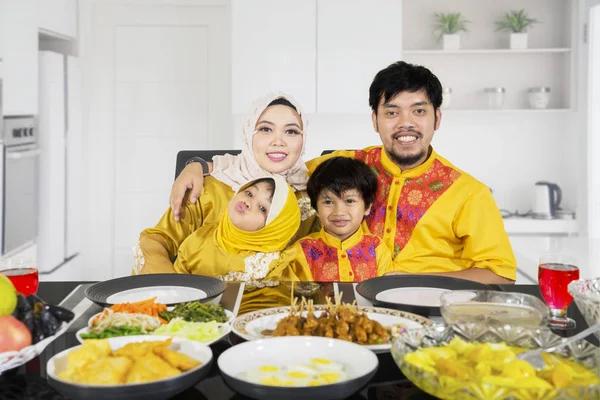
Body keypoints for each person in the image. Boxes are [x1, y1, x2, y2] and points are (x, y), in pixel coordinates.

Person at [170, 61, 516, 284]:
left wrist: (421, 284)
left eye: (419, 111)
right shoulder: (350, 164)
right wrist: (200, 165)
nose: (405, 123)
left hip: (428, 310)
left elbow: (500, 274)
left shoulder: (469, 192)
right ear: (375, 120)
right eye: (391, 111)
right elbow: (276, 164)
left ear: (437, 118)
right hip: (341, 300)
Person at [134, 92, 316, 274]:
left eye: (291, 131)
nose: (278, 141)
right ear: (248, 133)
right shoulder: (209, 190)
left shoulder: (315, 195)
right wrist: (172, 288)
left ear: (304, 139)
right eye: (265, 129)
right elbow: (157, 240)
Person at [164, 176, 301, 285]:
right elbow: (177, 288)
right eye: (249, 193)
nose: (248, 202)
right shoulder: (198, 239)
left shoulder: (275, 264)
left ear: (274, 229)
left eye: (263, 208)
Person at [287, 156, 393, 282]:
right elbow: (295, 298)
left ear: (367, 207)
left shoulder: (377, 248)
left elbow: (385, 295)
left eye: (349, 201)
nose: (339, 212)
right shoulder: (300, 251)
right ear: (316, 208)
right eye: (328, 202)